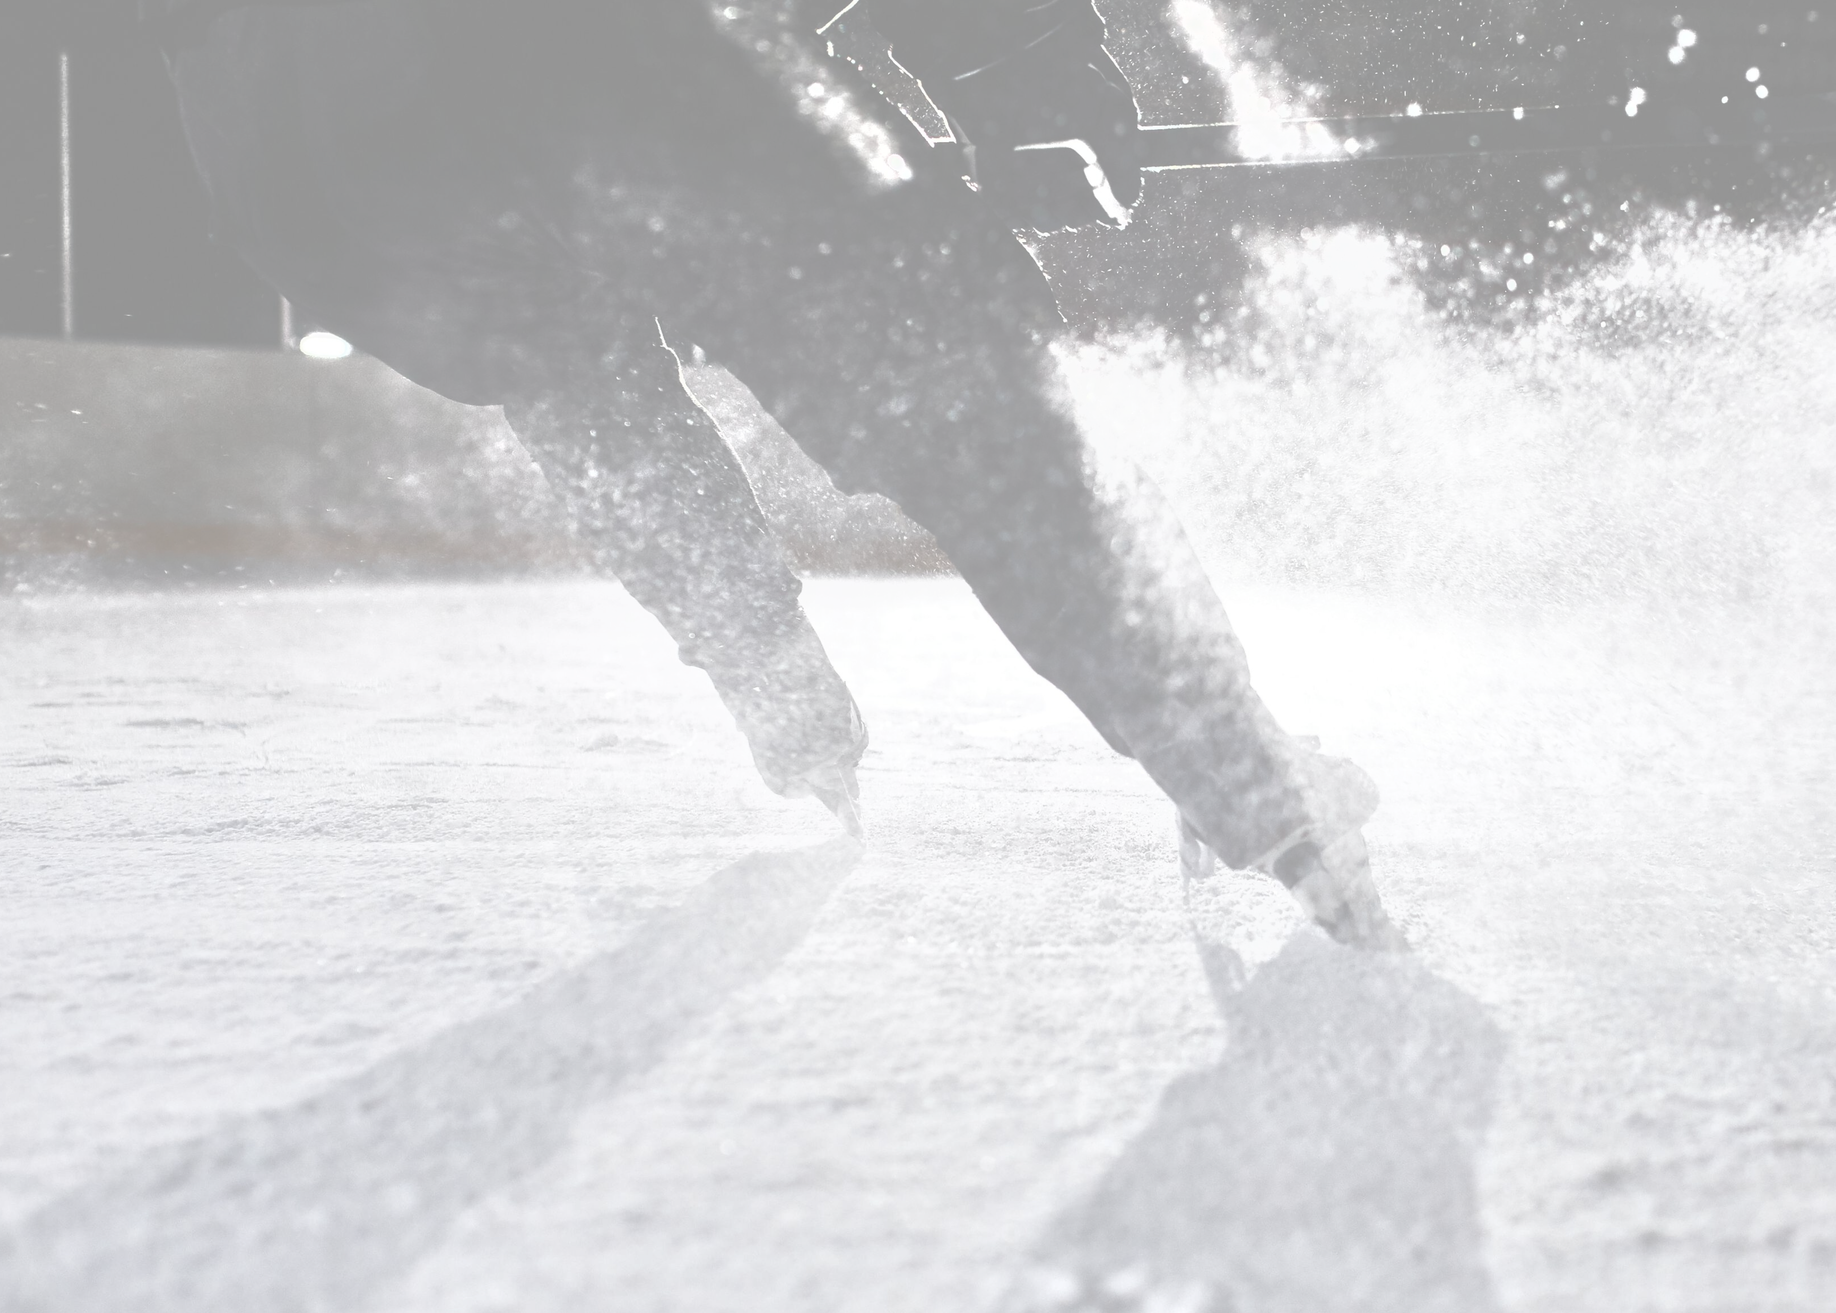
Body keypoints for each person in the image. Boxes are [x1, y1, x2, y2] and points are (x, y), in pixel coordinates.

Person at [142, 0, 1398, 947]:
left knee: (581, 388)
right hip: (603, 58)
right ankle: (1235, 765)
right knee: (957, 376)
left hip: (320, 152)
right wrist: (1028, 74)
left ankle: (779, 691)